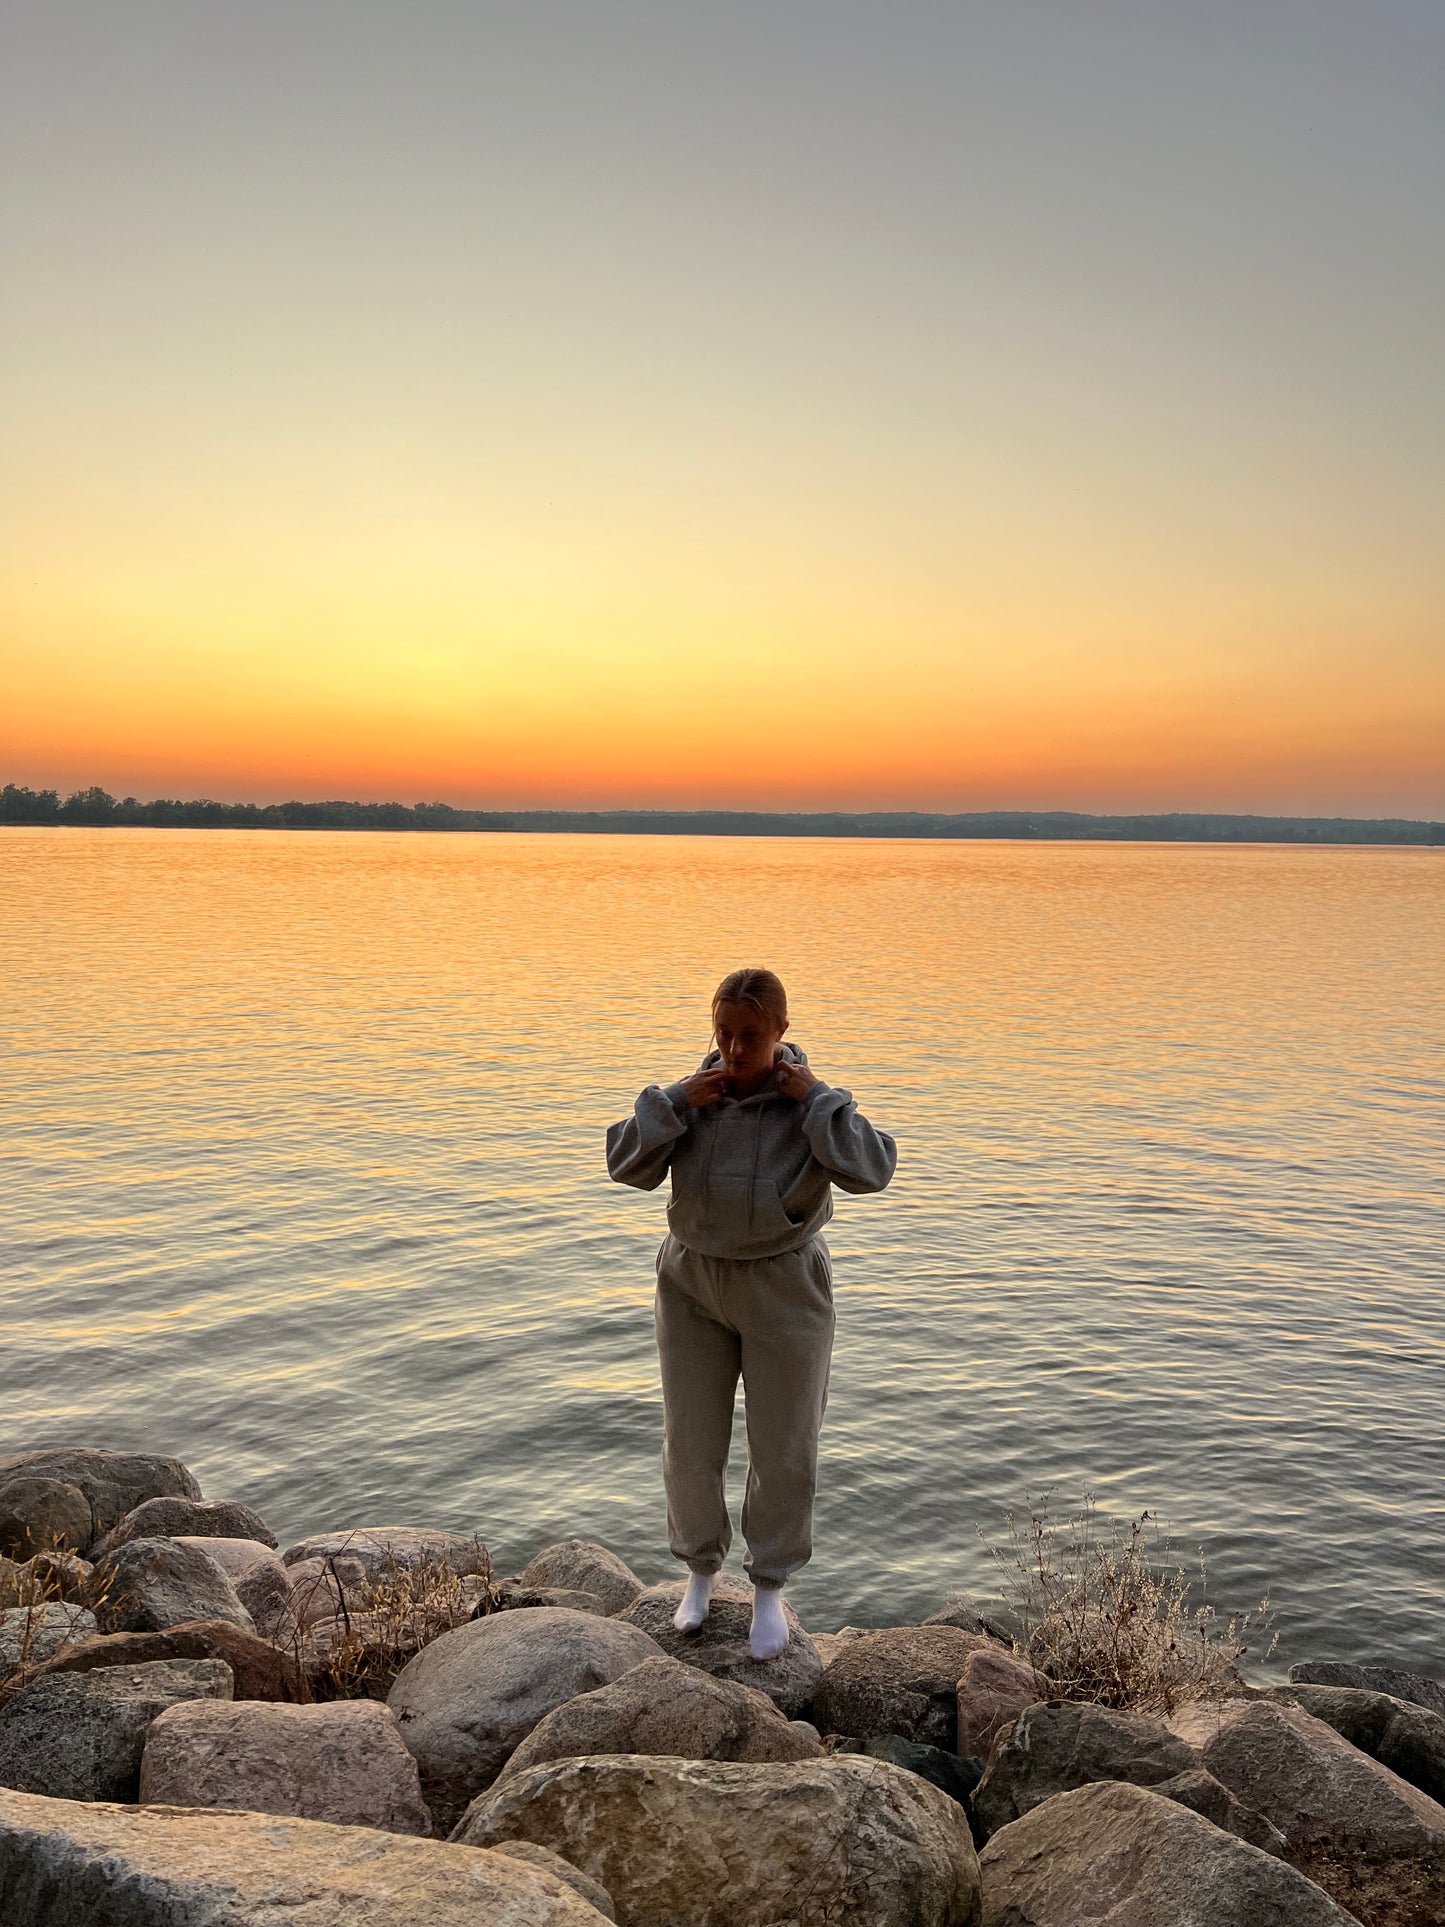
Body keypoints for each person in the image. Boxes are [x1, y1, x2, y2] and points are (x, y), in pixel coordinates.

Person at [605, 967, 897, 1660]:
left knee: (783, 1443)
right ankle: (698, 1575)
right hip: (691, 1281)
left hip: (783, 1284)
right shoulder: (690, 1098)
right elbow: (623, 1163)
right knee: (691, 1438)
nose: (735, 1050)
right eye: (724, 1034)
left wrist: (819, 1102)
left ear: (780, 1033)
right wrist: (674, 1100)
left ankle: (768, 1587)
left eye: (751, 1036)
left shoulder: (813, 1105)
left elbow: (874, 1170)